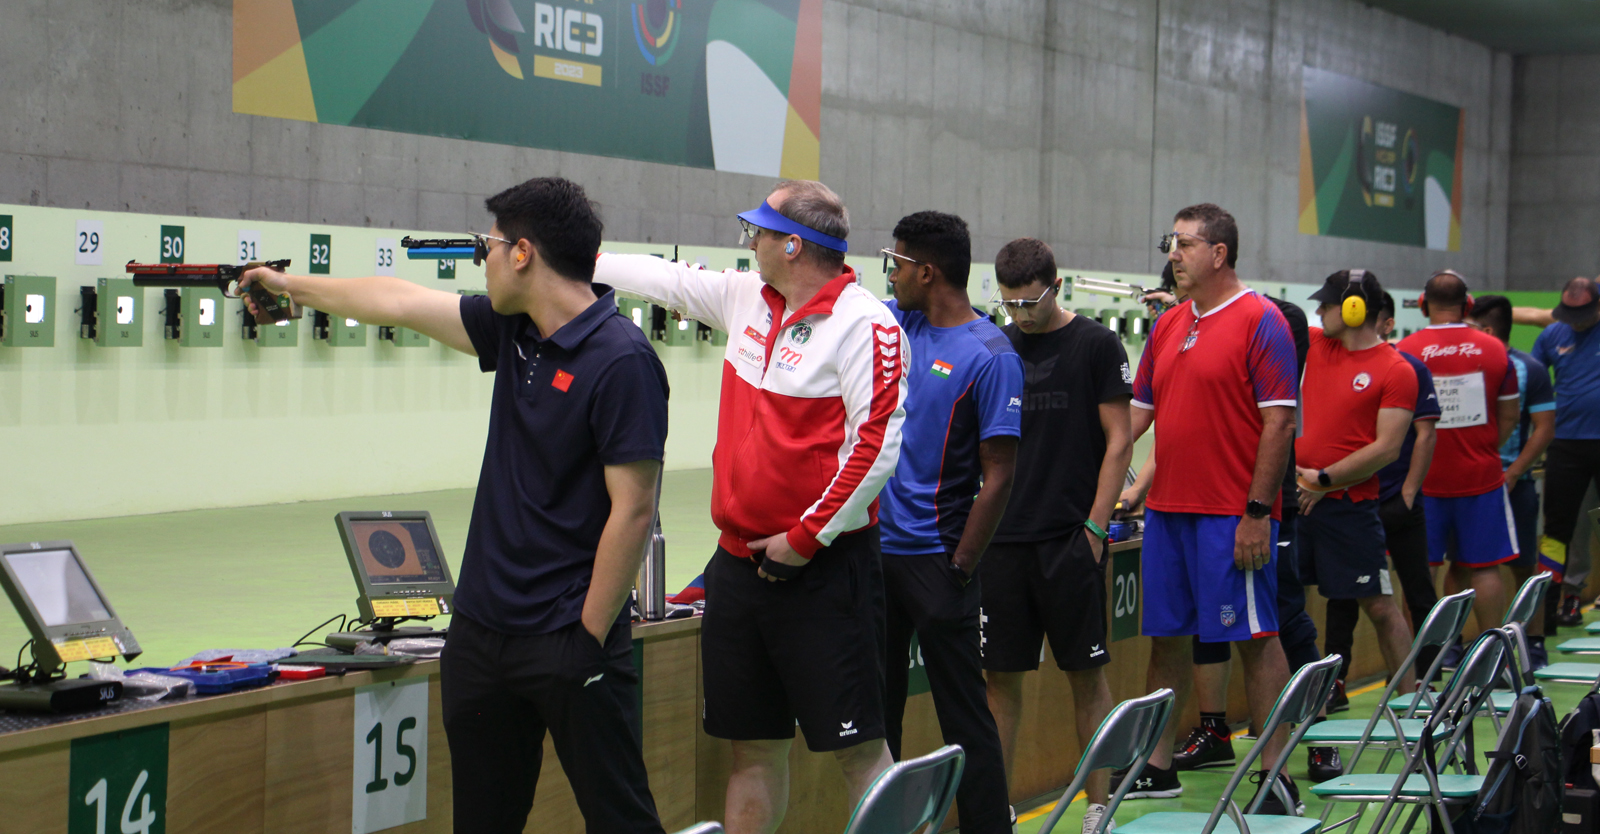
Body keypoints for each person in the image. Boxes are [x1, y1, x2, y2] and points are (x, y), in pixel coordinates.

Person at [241, 178, 669, 834]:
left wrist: (585, 637)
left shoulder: (623, 361)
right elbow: (399, 300)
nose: (482, 259)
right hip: (481, 638)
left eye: (489, 246)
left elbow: (633, 510)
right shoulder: (513, 332)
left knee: (621, 820)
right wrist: (288, 285)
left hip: (569, 640)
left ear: (523, 252)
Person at [592, 180, 908, 834]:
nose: (751, 244)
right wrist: (572, 257)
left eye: (759, 233)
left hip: (823, 570)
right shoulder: (747, 299)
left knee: (859, 749)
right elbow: (667, 280)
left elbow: (875, 449)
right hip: (737, 567)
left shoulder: (867, 323)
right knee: (752, 747)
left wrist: (806, 538)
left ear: (792, 245)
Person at [1116, 203, 1302, 814]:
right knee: (1167, 639)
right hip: (1169, 513)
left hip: (1231, 515)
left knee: (1256, 637)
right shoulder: (1170, 326)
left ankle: (1275, 773)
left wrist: (1257, 511)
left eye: (1184, 244)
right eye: (1171, 243)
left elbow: (1278, 425)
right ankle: (1157, 765)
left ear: (1218, 253)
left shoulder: (1261, 322)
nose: (1172, 254)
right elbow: (1138, 419)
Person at [983, 237, 1131, 832]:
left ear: (1057, 287)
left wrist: (1095, 529)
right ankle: (997, 809)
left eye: (1032, 302)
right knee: (999, 683)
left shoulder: (1097, 344)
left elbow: (1119, 440)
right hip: (1004, 542)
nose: (1021, 314)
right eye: (1010, 303)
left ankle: (1100, 805)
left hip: (1070, 541)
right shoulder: (997, 346)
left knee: (1087, 677)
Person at [877, 211, 1017, 834]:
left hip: (939, 563)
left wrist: (960, 567)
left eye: (899, 263)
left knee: (964, 716)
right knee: (874, 721)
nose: (892, 273)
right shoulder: (898, 325)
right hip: (877, 560)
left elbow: (1000, 475)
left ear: (927, 270)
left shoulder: (989, 356)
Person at [1293, 271, 1418, 700]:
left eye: (1328, 305)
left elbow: (1386, 448)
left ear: (1354, 309)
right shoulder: (1314, 343)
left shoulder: (1395, 369)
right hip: (1296, 499)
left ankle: (1409, 702)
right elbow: (1265, 313)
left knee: (1380, 606)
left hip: (1347, 505)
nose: (1320, 312)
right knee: (1286, 607)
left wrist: (1324, 480)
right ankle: (1302, 703)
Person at [1325, 291, 1440, 707]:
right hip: (1354, 499)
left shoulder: (1409, 369)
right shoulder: (1335, 363)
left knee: (1416, 589)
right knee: (1343, 598)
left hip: (1397, 501)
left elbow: (1425, 434)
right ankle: (1334, 682)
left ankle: (1425, 676)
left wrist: (1408, 493)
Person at [1397, 271, 1521, 635]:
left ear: (1423, 305)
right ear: (1468, 304)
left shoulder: (1405, 350)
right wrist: (1482, 448)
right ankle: (1491, 652)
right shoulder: (1495, 348)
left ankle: (1419, 666)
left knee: (1421, 571)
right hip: (1480, 477)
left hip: (1421, 482)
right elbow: (1510, 416)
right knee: (1484, 567)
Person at [1466, 294, 1555, 665]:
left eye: (1469, 327)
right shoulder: (1462, 366)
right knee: (1466, 566)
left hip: (1512, 482)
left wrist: (1514, 472)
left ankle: (1532, 641)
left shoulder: (1528, 369)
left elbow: (1544, 428)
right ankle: (1469, 646)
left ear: (1487, 330)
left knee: (1523, 566)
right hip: (1470, 485)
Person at [1531, 277, 1600, 615]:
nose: (1575, 322)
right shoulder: (1552, 336)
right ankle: (1552, 605)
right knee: (1557, 530)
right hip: (1567, 445)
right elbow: (1533, 385)